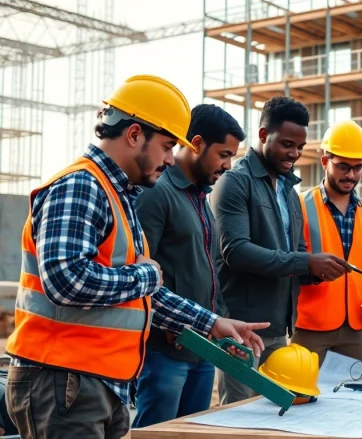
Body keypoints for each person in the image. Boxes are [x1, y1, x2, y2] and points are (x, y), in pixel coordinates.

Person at [3, 74, 268, 439]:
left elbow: (138, 293)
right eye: (166, 146)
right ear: (133, 135)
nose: (171, 159)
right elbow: (67, 280)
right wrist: (146, 275)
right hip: (62, 379)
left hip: (97, 381)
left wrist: (210, 323)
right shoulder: (81, 185)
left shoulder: (119, 195)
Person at [210, 96, 348, 405]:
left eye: (300, 147)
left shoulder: (288, 191)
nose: (295, 154)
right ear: (262, 136)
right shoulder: (234, 183)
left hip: (279, 325)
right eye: (287, 144)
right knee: (238, 414)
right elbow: (236, 250)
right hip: (241, 327)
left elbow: (295, 253)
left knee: (272, 413)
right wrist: (305, 261)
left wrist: (316, 272)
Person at [131, 104, 245, 428]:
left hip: (203, 349)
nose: (228, 164)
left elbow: (211, 270)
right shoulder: (156, 193)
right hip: (164, 353)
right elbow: (141, 272)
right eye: (224, 154)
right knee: (156, 434)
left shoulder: (201, 198)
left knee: (192, 433)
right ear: (196, 143)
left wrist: (218, 323)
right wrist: (169, 327)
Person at [292, 120, 362, 365]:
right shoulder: (300, 205)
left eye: (357, 168)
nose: (351, 175)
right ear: (325, 162)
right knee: (302, 398)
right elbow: (289, 262)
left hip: (354, 328)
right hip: (310, 325)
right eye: (343, 166)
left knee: (345, 399)